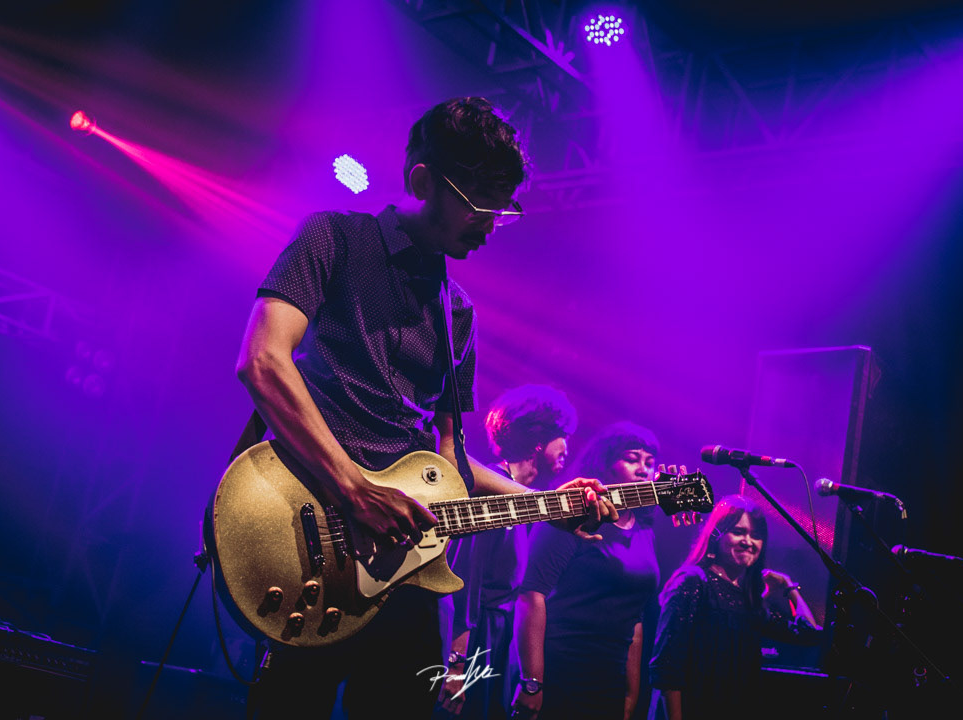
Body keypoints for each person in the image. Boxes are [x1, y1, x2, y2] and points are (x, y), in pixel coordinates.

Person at [236, 97, 616, 720]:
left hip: (403, 568)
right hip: (310, 534)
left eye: (504, 208)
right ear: (421, 181)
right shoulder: (333, 238)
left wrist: (546, 506)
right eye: (480, 203)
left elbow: (450, 466)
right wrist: (355, 489)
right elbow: (262, 361)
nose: (491, 225)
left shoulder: (457, 311)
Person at [439, 385, 578, 719]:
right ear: (538, 439)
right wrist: (456, 666)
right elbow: (464, 583)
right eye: (562, 436)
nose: (567, 447)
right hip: (476, 642)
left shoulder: (519, 499)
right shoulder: (493, 495)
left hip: (496, 641)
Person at [512, 422, 667, 720]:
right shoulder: (572, 515)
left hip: (609, 677)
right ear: (605, 464)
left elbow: (635, 615)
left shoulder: (644, 530)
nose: (643, 470)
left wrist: (630, 693)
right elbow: (531, 595)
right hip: (561, 668)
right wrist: (532, 682)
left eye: (649, 463)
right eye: (631, 459)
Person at [647, 495, 821, 720]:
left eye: (756, 535)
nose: (748, 541)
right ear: (717, 535)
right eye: (738, 532)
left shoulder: (749, 600)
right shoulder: (693, 581)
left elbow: (808, 633)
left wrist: (789, 588)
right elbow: (667, 667)